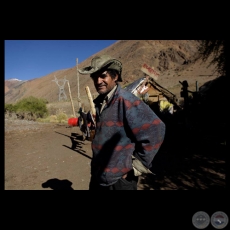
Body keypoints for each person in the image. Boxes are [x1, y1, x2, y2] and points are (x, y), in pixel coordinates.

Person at [78, 55, 165, 190]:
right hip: (98, 176)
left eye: (103, 76)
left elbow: (156, 129)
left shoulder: (126, 101)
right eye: (95, 77)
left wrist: (136, 166)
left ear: (115, 77)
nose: (98, 81)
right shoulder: (99, 102)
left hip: (119, 181)